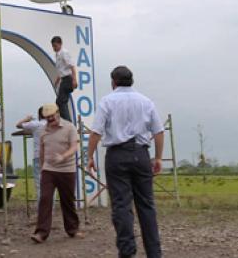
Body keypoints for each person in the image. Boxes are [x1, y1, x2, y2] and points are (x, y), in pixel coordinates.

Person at [86, 66, 164, 258]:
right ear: (132, 81)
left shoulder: (107, 101)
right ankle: (154, 253)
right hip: (141, 154)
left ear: (113, 82)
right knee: (146, 205)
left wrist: (89, 156)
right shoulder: (146, 101)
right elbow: (159, 131)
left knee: (121, 205)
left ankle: (127, 252)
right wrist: (159, 157)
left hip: (117, 155)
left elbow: (96, 132)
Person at [31, 103, 82, 244]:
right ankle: (41, 233)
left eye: (52, 116)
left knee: (68, 200)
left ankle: (72, 229)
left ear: (58, 113)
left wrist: (63, 156)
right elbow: (42, 150)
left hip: (67, 170)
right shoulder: (43, 131)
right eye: (47, 118)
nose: (50, 120)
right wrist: (42, 167)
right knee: (45, 198)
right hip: (49, 170)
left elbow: (74, 147)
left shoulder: (69, 127)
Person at [15, 107, 46, 202]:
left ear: (39, 115)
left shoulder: (36, 124)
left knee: (39, 185)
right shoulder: (53, 124)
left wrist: (27, 118)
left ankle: (42, 211)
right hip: (52, 157)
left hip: (38, 157)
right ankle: (50, 210)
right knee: (50, 185)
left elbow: (18, 125)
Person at [51, 36, 78, 121]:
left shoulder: (64, 53)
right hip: (63, 79)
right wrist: (57, 80)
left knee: (61, 101)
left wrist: (74, 80)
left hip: (68, 79)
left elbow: (72, 66)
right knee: (59, 102)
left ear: (60, 44)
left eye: (55, 46)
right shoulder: (57, 55)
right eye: (53, 46)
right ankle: (65, 120)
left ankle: (68, 122)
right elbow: (61, 70)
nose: (54, 48)